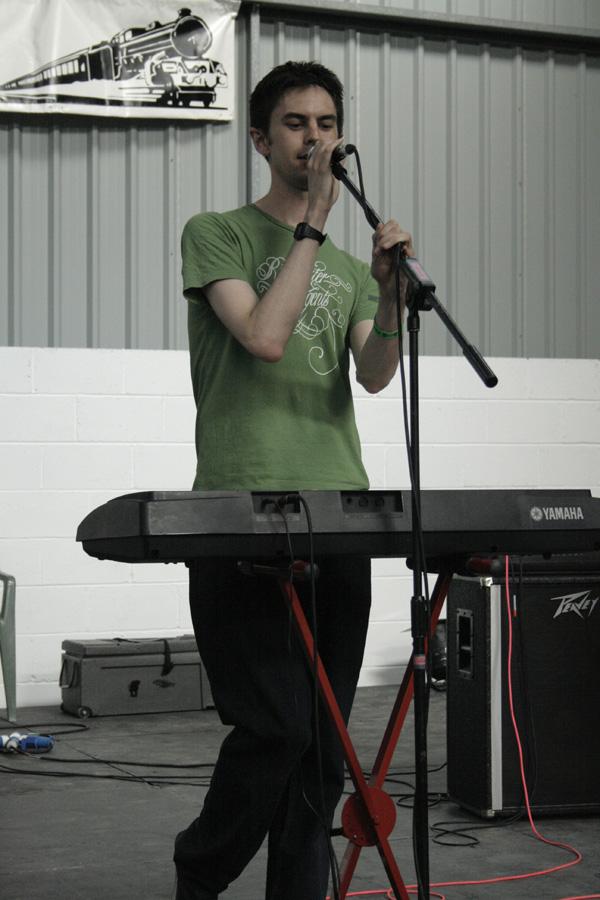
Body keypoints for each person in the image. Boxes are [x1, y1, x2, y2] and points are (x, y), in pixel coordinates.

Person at [173, 60, 413, 900]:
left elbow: (377, 373)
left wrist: (384, 295)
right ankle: (200, 869)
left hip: (338, 507)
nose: (313, 138)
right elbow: (265, 338)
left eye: (325, 123)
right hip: (241, 509)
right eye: (295, 124)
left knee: (324, 748)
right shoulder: (217, 233)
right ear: (260, 138)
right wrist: (312, 223)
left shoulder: (347, 264)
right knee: (271, 728)